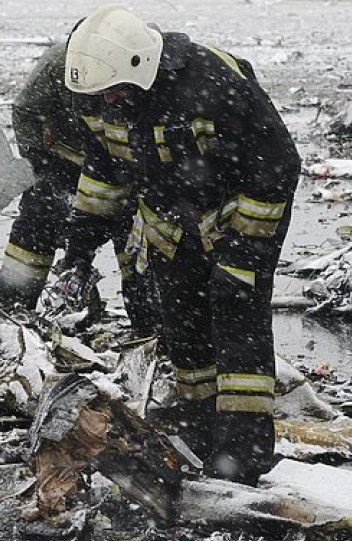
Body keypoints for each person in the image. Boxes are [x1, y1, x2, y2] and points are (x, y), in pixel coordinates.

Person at [61, 5, 301, 485]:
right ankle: (201, 430)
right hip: (171, 225)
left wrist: (242, 256)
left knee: (237, 323)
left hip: (240, 216)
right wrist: (80, 250)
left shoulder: (213, 85)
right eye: (99, 94)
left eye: (112, 90)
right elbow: (104, 175)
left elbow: (276, 167)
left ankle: (243, 452)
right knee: (185, 326)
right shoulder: (104, 97)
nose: (106, 100)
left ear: (139, 68)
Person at [0, 41, 163, 338]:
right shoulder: (55, 65)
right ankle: (9, 315)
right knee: (37, 221)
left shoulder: (137, 66)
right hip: (62, 159)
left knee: (134, 238)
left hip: (121, 163)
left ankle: (149, 327)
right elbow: (25, 112)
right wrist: (43, 167)